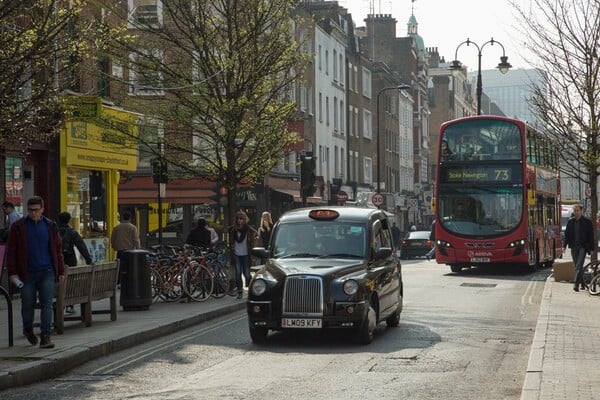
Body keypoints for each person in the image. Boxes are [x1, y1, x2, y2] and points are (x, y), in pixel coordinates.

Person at [6, 196, 64, 349]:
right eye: (30, 210)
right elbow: (11, 251)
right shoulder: (18, 227)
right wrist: (12, 272)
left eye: (36, 210)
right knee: (27, 305)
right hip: (27, 273)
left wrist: (61, 271)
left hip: (47, 271)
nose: (33, 213)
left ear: (42, 210)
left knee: (47, 304)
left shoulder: (51, 226)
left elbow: (57, 249)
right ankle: (28, 330)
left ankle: (46, 336)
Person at [58, 212, 93, 314]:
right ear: (69, 220)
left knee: (58, 281)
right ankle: (69, 305)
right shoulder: (72, 232)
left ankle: (59, 303)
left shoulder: (53, 231)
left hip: (57, 260)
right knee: (70, 281)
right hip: (70, 260)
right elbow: (81, 246)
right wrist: (88, 260)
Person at [563, 204, 594, 292]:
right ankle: (583, 284)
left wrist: (591, 249)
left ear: (581, 211)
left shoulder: (587, 222)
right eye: (575, 211)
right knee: (577, 266)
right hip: (573, 246)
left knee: (579, 265)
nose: (576, 212)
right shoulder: (570, 222)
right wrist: (564, 246)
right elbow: (567, 235)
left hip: (583, 246)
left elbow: (591, 236)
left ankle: (576, 284)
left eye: (577, 210)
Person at [229, 210, 256, 299]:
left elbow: (253, 241)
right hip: (236, 254)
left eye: (241, 219)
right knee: (238, 273)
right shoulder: (233, 230)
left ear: (244, 220)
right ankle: (240, 291)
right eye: (238, 219)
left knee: (247, 274)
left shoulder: (248, 230)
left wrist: (253, 254)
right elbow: (231, 243)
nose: (239, 221)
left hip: (246, 255)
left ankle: (252, 288)